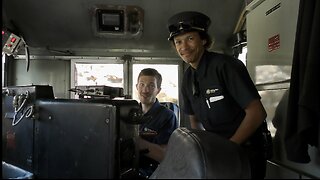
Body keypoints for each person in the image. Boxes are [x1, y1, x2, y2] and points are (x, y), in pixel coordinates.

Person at [167, 11, 268, 179]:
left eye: (190, 39)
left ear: (204, 40)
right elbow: (195, 120)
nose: (183, 47)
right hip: (219, 154)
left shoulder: (226, 66)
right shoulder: (188, 77)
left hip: (246, 152)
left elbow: (257, 113)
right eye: (178, 42)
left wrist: (229, 147)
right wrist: (203, 150)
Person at [135, 68, 179, 178]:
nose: (145, 90)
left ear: (158, 90)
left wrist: (137, 142)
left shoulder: (168, 116)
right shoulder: (130, 112)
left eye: (151, 86)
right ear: (136, 87)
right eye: (142, 84)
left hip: (153, 173)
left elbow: (164, 156)